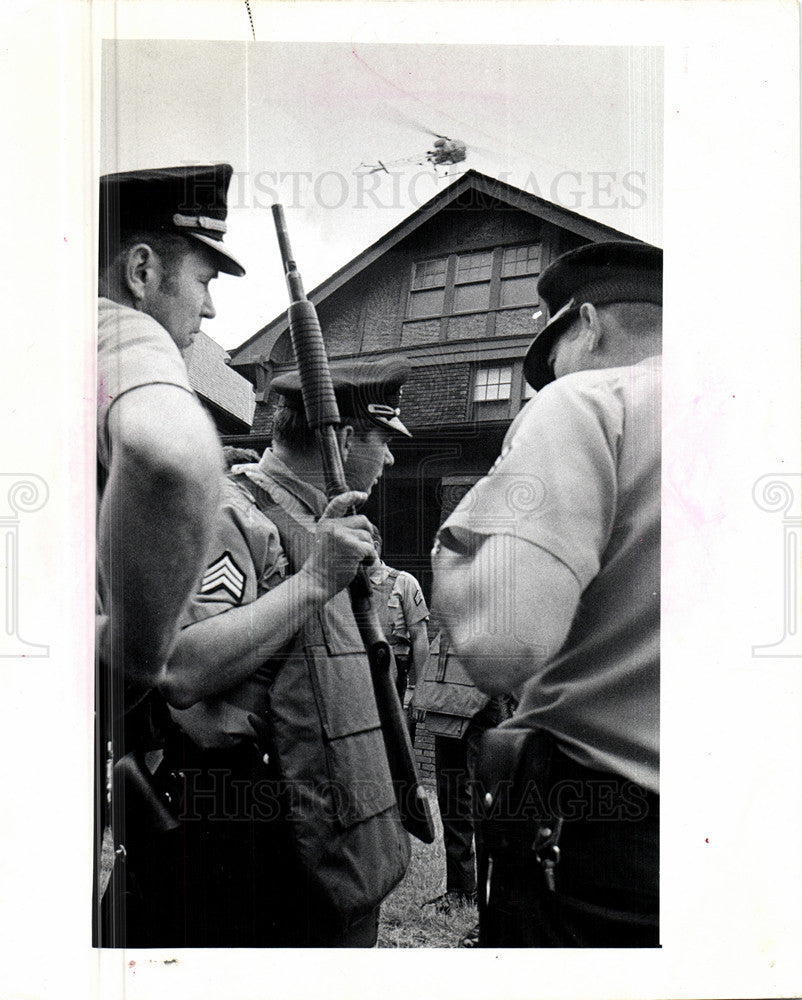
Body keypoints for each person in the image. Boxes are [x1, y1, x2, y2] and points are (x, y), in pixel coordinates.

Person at [432, 241, 662, 948]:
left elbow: (503, 650)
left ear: (587, 324)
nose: (546, 380)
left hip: (608, 852)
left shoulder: (590, 404)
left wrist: (454, 556)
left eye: (550, 354)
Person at [153, 358, 415, 948]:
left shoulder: (326, 524)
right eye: (383, 441)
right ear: (345, 439)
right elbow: (181, 668)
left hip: (319, 825)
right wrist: (315, 580)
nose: (392, 458)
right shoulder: (228, 512)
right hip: (238, 826)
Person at [94, 163, 245, 945]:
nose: (211, 307)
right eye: (204, 276)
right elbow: (172, 455)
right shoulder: (116, 328)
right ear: (142, 269)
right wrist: (128, 664)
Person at [368, 527, 430, 711]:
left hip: (391, 676)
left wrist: (421, 690)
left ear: (375, 546)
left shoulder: (403, 582)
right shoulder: (345, 586)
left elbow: (420, 638)